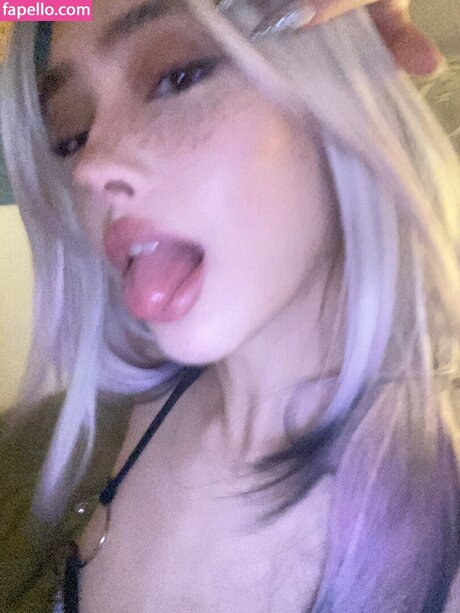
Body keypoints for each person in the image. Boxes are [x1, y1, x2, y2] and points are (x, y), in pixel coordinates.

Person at [0, 0, 459, 611]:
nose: (91, 167)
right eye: (70, 136)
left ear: (332, 88)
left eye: (177, 77)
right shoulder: (38, 453)